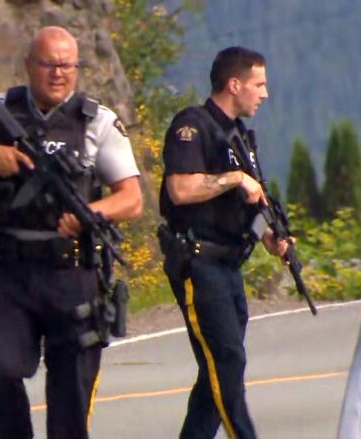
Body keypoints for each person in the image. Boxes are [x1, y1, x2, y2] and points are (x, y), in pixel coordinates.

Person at [0, 26, 142, 439]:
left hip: (72, 274)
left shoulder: (97, 121)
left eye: (68, 65)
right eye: (49, 63)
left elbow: (131, 199)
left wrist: (91, 214)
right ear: (29, 65)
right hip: (6, 274)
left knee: (70, 401)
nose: (59, 73)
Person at [157, 47, 289, 439]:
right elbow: (180, 189)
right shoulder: (192, 127)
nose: (264, 94)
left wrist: (268, 235)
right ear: (234, 84)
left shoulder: (238, 137)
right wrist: (234, 179)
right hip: (198, 263)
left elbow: (241, 206)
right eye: (258, 84)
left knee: (218, 371)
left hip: (228, 267)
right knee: (227, 362)